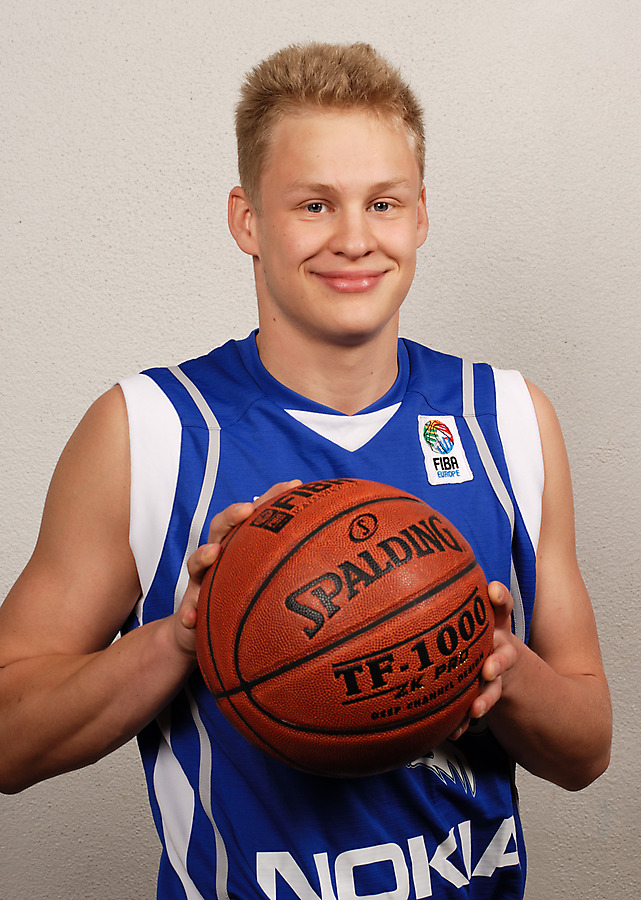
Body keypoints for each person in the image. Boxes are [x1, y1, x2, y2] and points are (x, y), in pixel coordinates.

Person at [0, 42, 611, 899]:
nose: (354, 240)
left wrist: (496, 662)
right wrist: (182, 638)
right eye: (314, 204)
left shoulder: (505, 418)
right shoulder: (150, 430)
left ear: (420, 215)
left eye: (383, 203)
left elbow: (586, 751)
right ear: (247, 219)